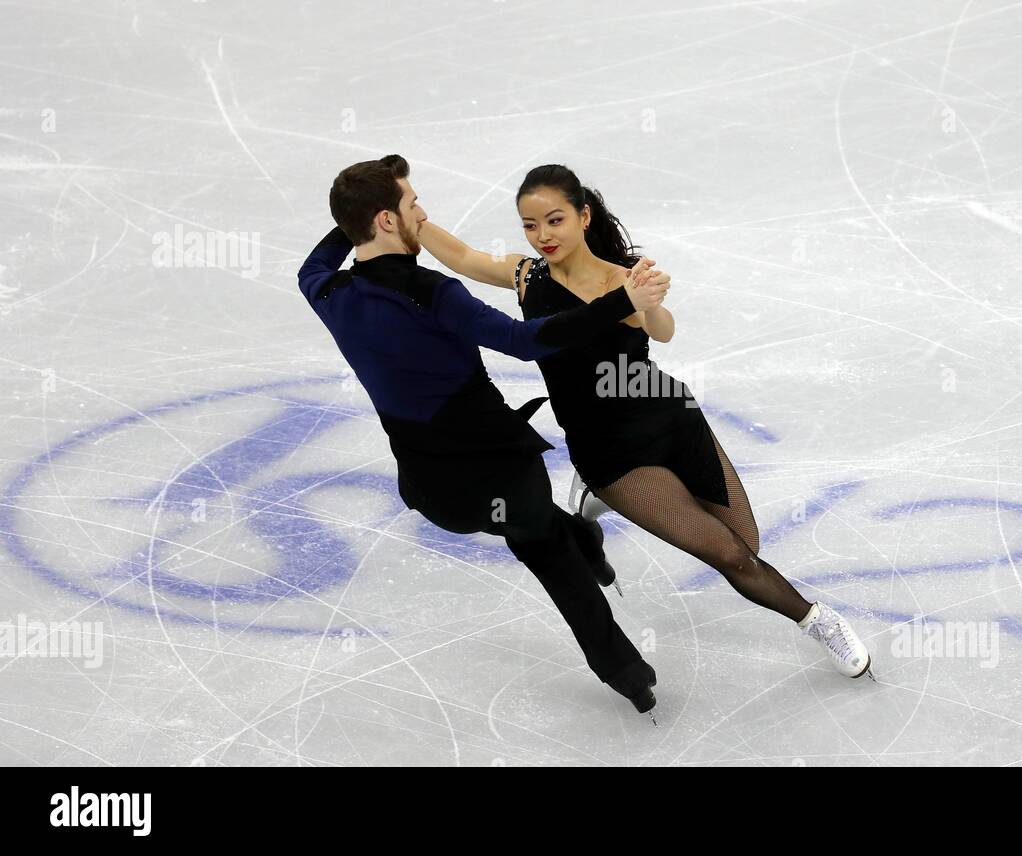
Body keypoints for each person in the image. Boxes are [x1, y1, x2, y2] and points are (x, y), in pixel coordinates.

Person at [416, 164, 874, 680]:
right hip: (611, 451)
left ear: (584, 216)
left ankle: (593, 500)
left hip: (669, 417)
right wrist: (413, 218)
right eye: (529, 225)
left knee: (748, 544)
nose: (542, 235)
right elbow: (460, 257)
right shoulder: (527, 278)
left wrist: (649, 301)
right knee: (733, 559)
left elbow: (665, 330)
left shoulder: (622, 280)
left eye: (555, 220)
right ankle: (818, 621)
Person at [297, 154, 673, 716]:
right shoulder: (432, 294)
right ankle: (624, 669)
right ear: (385, 220)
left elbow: (318, 259)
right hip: (497, 474)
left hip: (428, 491)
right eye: (411, 204)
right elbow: (529, 341)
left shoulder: (324, 290)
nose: (421, 214)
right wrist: (623, 302)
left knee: (536, 525)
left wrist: (354, 213)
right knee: (545, 547)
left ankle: (583, 540)